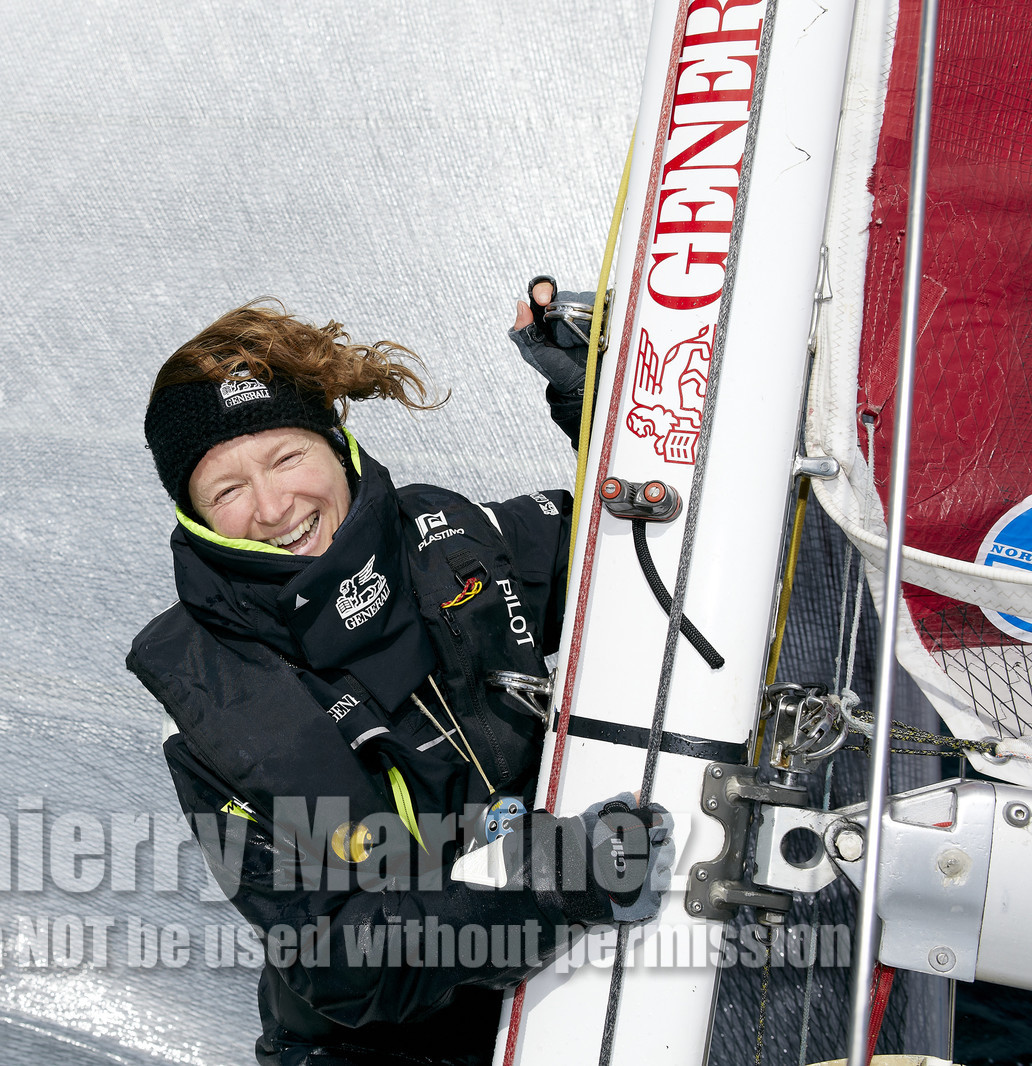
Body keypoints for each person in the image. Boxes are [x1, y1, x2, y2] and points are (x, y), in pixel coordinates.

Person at [127, 297, 668, 1066]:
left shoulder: (448, 539)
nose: (275, 507)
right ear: (197, 517)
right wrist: (552, 888)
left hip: (571, 992)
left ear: (336, 444)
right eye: (227, 489)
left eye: (286, 458)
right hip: (379, 1049)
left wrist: (603, 403)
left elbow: (639, 562)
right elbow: (334, 958)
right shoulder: (210, 701)